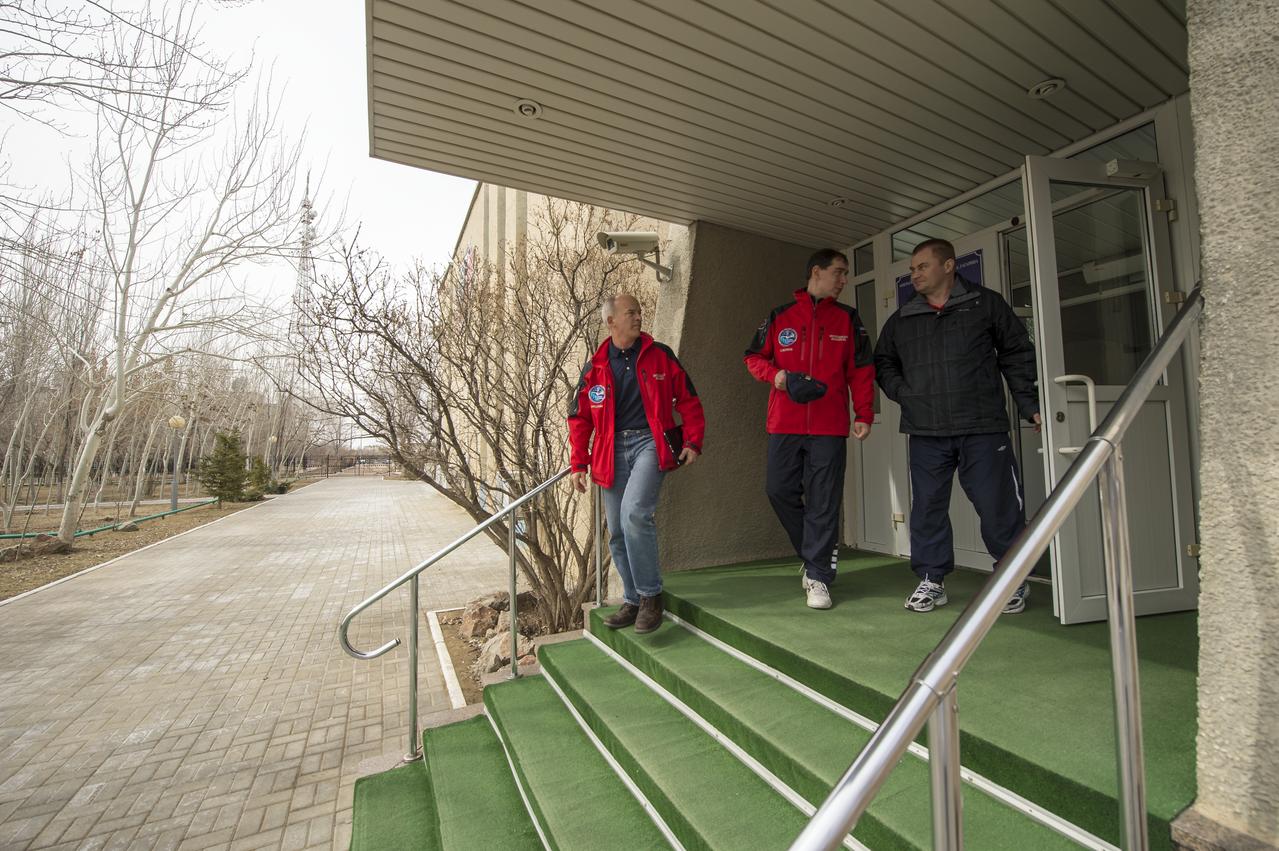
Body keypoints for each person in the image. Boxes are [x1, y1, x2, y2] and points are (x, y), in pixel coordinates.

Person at [874, 238, 1042, 614]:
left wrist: (1029, 404)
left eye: (922, 266)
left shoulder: (986, 304)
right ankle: (931, 579)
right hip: (926, 430)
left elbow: (1017, 352)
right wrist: (905, 393)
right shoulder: (902, 319)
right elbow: (883, 362)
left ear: (948, 266)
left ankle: (1011, 579)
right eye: (912, 269)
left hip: (982, 426)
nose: (914, 274)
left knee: (997, 505)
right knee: (928, 507)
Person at [744, 249, 874, 610]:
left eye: (846, 274)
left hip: (829, 427)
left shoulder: (849, 319)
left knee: (824, 501)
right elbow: (753, 357)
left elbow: (861, 370)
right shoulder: (780, 316)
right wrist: (778, 376)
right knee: (778, 489)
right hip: (784, 423)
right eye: (839, 272)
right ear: (816, 272)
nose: (844, 280)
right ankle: (816, 551)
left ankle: (817, 575)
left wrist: (864, 412)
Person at [568, 293, 705, 634]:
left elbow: (688, 399)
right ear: (611, 321)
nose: (638, 317)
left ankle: (650, 597)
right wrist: (578, 463)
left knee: (635, 514)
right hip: (610, 450)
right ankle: (631, 599)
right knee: (616, 531)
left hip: (649, 443)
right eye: (631, 312)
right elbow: (579, 418)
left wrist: (692, 440)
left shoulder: (659, 356)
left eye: (640, 312)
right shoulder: (595, 367)